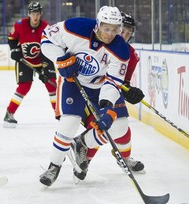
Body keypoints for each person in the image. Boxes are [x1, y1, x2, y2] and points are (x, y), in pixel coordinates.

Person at [39, 6, 130, 187]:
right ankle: (54, 166)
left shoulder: (120, 49)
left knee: (120, 126)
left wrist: (106, 107)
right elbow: (46, 37)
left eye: (115, 29)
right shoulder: (75, 27)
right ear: (98, 24)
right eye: (106, 28)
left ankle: (82, 142)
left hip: (100, 87)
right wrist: (61, 58)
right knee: (69, 123)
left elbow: (112, 82)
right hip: (73, 82)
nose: (110, 33)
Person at [72, 11, 145, 181]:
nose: (125, 36)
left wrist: (130, 92)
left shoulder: (130, 55)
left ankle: (125, 159)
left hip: (108, 93)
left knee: (123, 129)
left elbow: (121, 82)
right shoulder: (95, 43)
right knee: (99, 126)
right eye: (123, 31)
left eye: (129, 32)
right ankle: (84, 160)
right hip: (87, 91)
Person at [3, 1, 57, 128]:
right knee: (24, 87)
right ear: (29, 14)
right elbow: (12, 40)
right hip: (25, 60)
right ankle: (9, 113)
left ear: (41, 14)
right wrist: (15, 50)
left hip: (42, 57)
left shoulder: (46, 27)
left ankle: (58, 114)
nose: (35, 16)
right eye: (33, 13)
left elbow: (48, 47)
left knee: (52, 84)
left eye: (37, 13)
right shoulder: (20, 25)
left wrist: (44, 68)